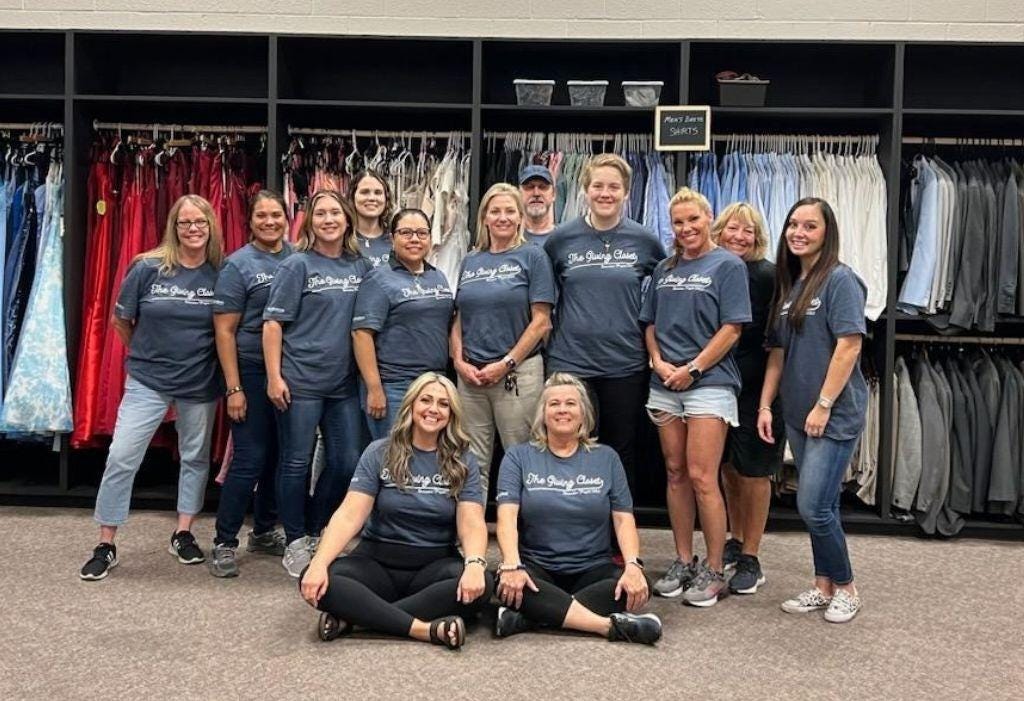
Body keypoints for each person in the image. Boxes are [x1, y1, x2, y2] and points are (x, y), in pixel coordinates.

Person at [80, 195, 224, 581]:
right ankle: (106, 542)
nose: (193, 229)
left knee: (194, 458)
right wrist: (148, 354)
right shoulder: (147, 268)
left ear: (211, 226)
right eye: (184, 223)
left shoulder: (221, 273)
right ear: (173, 228)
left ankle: (183, 532)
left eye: (200, 222)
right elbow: (120, 321)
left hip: (199, 383)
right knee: (122, 456)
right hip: (147, 381)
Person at [298, 373, 491, 650]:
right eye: (426, 400)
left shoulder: (463, 460)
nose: (433, 409)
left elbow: (472, 522)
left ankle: (360, 617)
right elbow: (350, 514)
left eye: (443, 404)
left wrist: (474, 564)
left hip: (434, 566)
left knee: (482, 584)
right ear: (411, 405)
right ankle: (423, 629)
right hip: (376, 561)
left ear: (452, 414)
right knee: (315, 578)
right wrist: (318, 563)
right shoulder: (379, 452)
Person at [757, 197, 868, 624]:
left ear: (827, 233)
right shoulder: (792, 284)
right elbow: (778, 352)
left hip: (831, 415)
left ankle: (847, 588)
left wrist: (824, 404)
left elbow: (849, 345)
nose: (799, 232)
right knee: (822, 505)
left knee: (814, 507)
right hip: (798, 413)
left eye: (810, 226)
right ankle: (823, 586)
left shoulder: (840, 280)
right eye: (793, 225)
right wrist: (767, 404)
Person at [492, 373, 662, 645]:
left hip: (593, 569)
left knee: (637, 584)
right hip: (537, 569)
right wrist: (512, 564)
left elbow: (623, 519)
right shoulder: (518, 457)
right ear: (542, 413)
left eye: (570, 403)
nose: (562, 410)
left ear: (584, 413)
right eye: (554, 404)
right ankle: (608, 626)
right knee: (503, 583)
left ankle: (533, 616)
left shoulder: (607, 457)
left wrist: (633, 565)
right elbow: (507, 517)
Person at [642, 188, 750, 607]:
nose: (686, 228)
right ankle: (683, 559)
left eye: (693, 219)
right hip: (665, 384)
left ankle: (715, 567)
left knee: (704, 476)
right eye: (678, 222)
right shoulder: (664, 268)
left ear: (709, 219)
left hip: (710, 382)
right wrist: (658, 362)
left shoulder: (727, 265)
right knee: (674, 473)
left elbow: (733, 328)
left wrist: (695, 369)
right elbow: (648, 323)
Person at [263, 190, 372, 578]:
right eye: (320, 213)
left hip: (342, 384)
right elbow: (273, 323)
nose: (328, 219)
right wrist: (274, 376)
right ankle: (295, 539)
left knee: (346, 462)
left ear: (347, 220)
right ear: (310, 222)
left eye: (335, 213)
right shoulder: (297, 265)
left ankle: (314, 527)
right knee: (295, 462)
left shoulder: (360, 266)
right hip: (300, 380)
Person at [543, 154, 663, 490]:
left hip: (624, 363)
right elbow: (541, 296)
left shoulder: (645, 240)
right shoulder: (560, 239)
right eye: (598, 186)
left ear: (627, 192)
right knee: (568, 443)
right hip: (570, 363)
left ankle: (616, 529)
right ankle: (572, 522)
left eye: (614, 187)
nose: (605, 193)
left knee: (619, 449)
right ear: (585, 190)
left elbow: (667, 289)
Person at [209, 190, 293, 577]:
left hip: (292, 372)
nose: (270, 221)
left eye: (276, 214)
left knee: (279, 456)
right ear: (251, 221)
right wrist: (234, 388)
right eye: (262, 216)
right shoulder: (237, 265)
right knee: (249, 457)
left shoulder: (298, 258)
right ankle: (224, 541)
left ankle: (263, 530)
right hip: (252, 371)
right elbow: (224, 331)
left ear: (287, 217)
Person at [451, 183, 555, 487]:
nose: (503, 217)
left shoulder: (533, 257)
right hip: (471, 376)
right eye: (495, 211)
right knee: (470, 458)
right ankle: (470, 531)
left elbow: (541, 322)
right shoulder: (471, 260)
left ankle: (524, 531)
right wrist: (458, 360)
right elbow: (459, 317)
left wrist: (506, 363)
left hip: (517, 374)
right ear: (484, 217)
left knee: (521, 455)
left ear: (521, 217)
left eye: (510, 211)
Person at [713, 202, 786, 596]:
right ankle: (736, 537)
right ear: (719, 231)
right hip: (716, 384)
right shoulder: (708, 269)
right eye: (733, 229)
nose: (740, 237)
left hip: (759, 388)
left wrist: (766, 402)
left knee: (755, 470)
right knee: (727, 466)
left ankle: (751, 557)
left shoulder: (770, 277)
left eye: (749, 232)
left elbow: (779, 344)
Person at [353, 208, 454, 439]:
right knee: (393, 460)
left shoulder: (438, 277)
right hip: (394, 386)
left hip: (433, 385)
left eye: (422, 233)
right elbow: (361, 335)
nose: (415, 239)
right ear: (392, 238)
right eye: (406, 232)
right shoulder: (379, 278)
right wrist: (374, 388)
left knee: (425, 459)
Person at [347, 169, 393, 269]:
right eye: (365, 192)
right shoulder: (342, 240)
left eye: (378, 193)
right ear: (352, 197)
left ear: (386, 198)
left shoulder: (395, 240)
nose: (372, 198)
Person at [519, 165, 556, 245]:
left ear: (553, 194)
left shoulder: (565, 239)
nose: (536, 193)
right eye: (529, 187)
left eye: (543, 187)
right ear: (519, 194)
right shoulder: (509, 240)